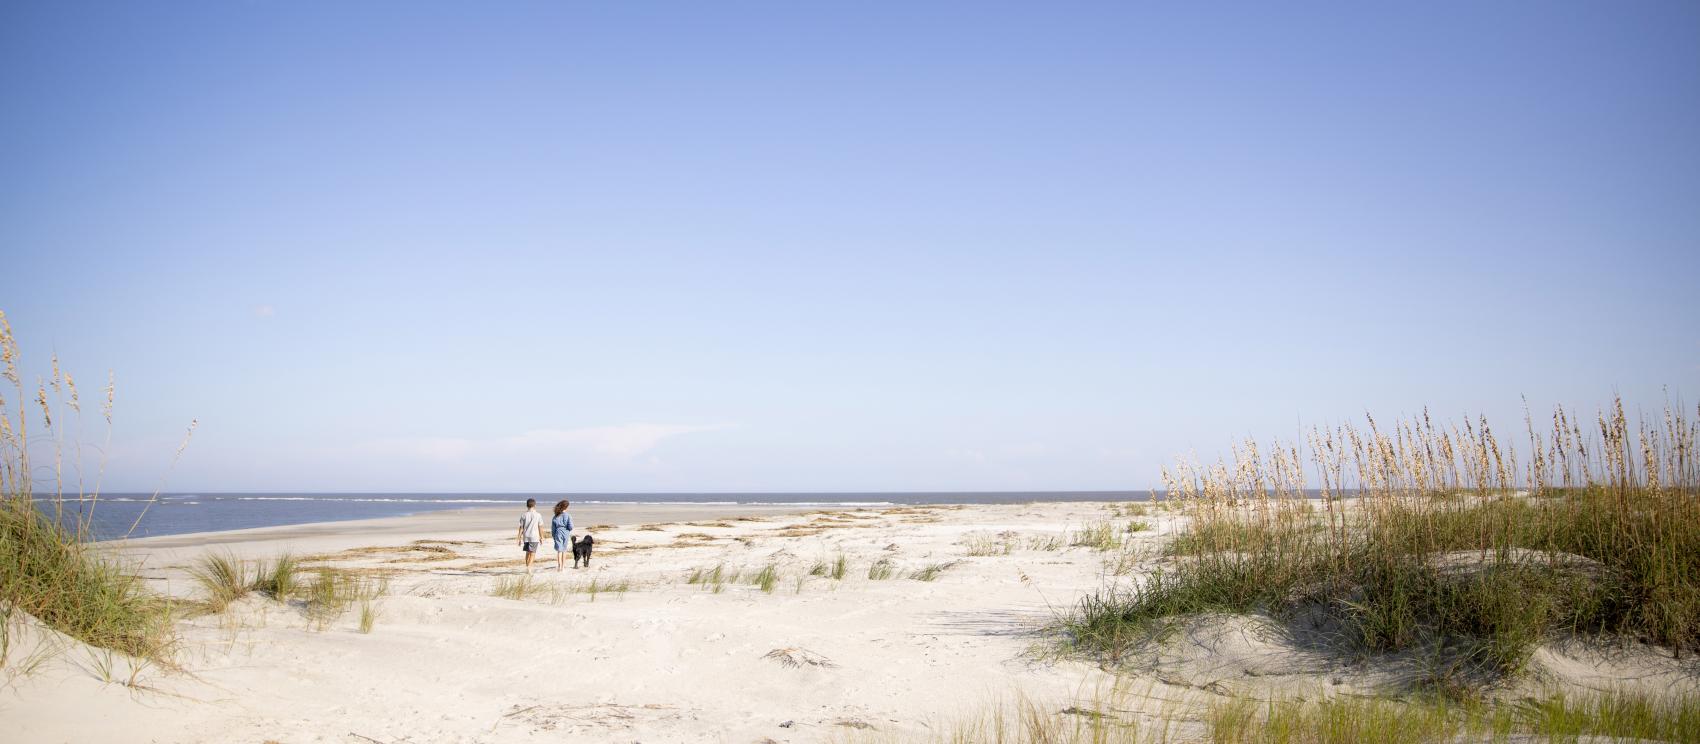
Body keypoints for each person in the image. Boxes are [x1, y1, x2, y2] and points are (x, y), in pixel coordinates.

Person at [516, 498, 542, 573]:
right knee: (533, 553)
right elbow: (540, 527)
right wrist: (541, 537)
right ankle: (529, 568)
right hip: (534, 536)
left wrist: (519, 538)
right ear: (535, 505)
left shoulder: (524, 515)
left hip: (526, 536)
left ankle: (527, 566)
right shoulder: (538, 515)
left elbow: (521, 528)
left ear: (527, 505)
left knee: (528, 552)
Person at [550, 499, 573, 572]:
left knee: (559, 550)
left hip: (558, 532)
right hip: (565, 533)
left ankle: (559, 566)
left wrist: (553, 536)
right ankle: (563, 567)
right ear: (566, 507)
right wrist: (568, 529)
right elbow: (571, 526)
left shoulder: (555, 516)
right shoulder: (568, 515)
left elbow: (553, 528)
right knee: (564, 550)